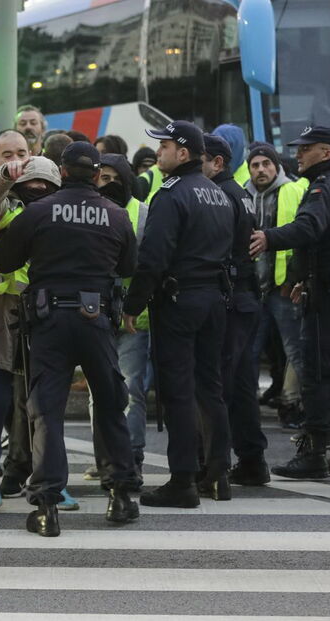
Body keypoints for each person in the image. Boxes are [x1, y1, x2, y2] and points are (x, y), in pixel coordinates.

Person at [0, 141, 139, 537]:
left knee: (47, 411)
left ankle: (47, 507)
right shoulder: (116, 214)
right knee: (110, 403)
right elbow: (128, 266)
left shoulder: (39, 211)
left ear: (61, 171)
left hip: (49, 320)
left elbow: (4, 261)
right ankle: (120, 495)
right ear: (96, 174)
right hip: (96, 318)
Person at [124, 121, 235, 507]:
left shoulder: (171, 195)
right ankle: (218, 474)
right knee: (210, 387)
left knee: (178, 391)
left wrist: (133, 305)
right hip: (213, 299)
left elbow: (153, 257)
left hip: (178, 300)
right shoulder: (217, 193)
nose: (159, 152)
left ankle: (183, 481)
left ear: (183, 153)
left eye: (165, 146)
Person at [250, 126, 330, 480]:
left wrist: (268, 237)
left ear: (327, 153)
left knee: (317, 372)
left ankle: (314, 452)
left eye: (306, 149)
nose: (298, 155)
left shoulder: (322, 188)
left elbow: (308, 229)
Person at [0, 155, 62, 509]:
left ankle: (48, 478)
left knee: (40, 404)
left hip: (41, 316)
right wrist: (3, 176)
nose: (38, 189)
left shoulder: (60, 214)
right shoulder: (3, 211)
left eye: (46, 184)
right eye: (31, 183)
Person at [202, 134, 270, 488]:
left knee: (218, 385)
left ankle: (214, 466)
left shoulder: (219, 194)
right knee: (242, 385)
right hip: (245, 297)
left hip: (230, 297)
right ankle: (252, 460)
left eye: (200, 159)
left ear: (217, 162)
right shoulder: (239, 192)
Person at [93, 152, 150, 482]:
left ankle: (131, 458)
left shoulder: (143, 212)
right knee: (98, 393)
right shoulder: (88, 209)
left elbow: (149, 264)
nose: (110, 184)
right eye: (104, 178)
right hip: (96, 313)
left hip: (131, 317)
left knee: (130, 390)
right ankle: (105, 460)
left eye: (117, 178)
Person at [244, 142, 307, 428]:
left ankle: (300, 408)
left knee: (295, 351)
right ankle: (246, 412)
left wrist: (293, 279)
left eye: (266, 164)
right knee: (248, 353)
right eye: (255, 165)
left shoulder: (292, 191)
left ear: (276, 166)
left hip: (283, 289)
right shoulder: (242, 194)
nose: (261, 169)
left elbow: (300, 240)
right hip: (253, 290)